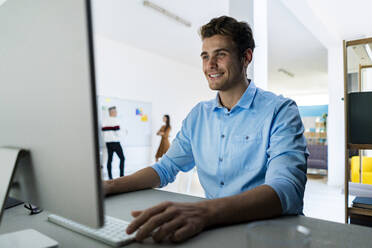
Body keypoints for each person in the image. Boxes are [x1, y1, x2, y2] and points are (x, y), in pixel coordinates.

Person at [104, 16, 308, 243]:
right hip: (215, 231)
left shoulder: (280, 110)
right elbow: (165, 168)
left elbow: (286, 189)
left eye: (220, 54)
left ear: (246, 57)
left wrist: (205, 211)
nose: (210, 65)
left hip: (268, 233)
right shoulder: (198, 116)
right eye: (205, 56)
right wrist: (110, 186)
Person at [101, 106, 125, 179]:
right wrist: (124, 133)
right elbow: (118, 132)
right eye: (115, 111)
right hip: (115, 142)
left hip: (108, 143)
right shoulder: (115, 120)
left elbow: (103, 132)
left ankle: (110, 177)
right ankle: (121, 176)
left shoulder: (104, 121)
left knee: (110, 159)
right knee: (122, 158)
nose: (116, 113)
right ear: (112, 112)